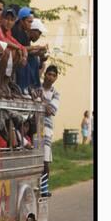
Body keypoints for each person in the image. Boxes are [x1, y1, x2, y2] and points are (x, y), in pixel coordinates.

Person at [40, 65, 60, 196]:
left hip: (46, 128)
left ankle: (44, 188)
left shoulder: (56, 93)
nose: (51, 77)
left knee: (45, 161)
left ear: (56, 78)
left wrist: (40, 101)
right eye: (49, 74)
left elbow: (50, 111)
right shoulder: (37, 86)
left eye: (53, 75)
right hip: (33, 126)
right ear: (45, 74)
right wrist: (45, 104)